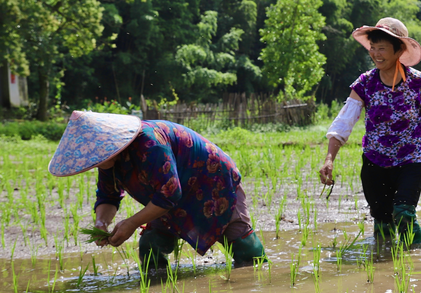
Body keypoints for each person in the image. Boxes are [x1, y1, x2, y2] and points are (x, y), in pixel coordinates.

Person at [49, 111, 265, 270]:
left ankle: (259, 274)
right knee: (151, 243)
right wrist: (101, 222)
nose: (94, 162)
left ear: (110, 144)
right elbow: (108, 196)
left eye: (96, 157)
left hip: (210, 179)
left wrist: (132, 222)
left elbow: (170, 193)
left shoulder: (149, 143)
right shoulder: (108, 161)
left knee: (240, 241)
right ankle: (158, 285)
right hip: (170, 192)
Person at [319, 17, 421, 245]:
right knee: (382, 222)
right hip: (374, 161)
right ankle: (384, 264)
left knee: (404, 214)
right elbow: (344, 122)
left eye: (382, 49)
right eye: (373, 48)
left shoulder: (417, 82)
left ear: (398, 51)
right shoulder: (365, 83)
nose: (376, 54)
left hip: (412, 160)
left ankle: (416, 257)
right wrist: (330, 158)